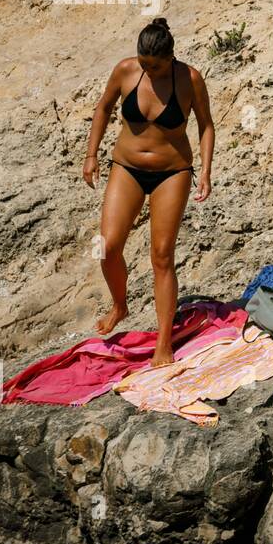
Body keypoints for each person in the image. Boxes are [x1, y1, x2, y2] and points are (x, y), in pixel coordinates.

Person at [83, 18, 214, 366]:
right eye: (144, 63)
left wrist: (205, 172)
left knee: (161, 256)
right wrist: (92, 154)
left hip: (172, 172)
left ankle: (163, 342)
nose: (148, 70)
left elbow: (205, 125)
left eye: (154, 66)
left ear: (171, 57)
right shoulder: (126, 71)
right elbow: (103, 108)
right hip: (126, 168)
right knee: (108, 247)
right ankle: (120, 305)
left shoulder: (190, 79)